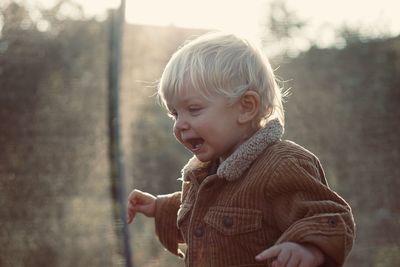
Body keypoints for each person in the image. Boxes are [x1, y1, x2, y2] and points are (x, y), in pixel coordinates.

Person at [127, 31, 355, 267]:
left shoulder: (282, 164)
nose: (180, 124)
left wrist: (306, 248)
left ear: (245, 107)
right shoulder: (207, 172)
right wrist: (159, 207)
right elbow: (203, 220)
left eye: (193, 109)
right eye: (175, 113)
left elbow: (329, 217)